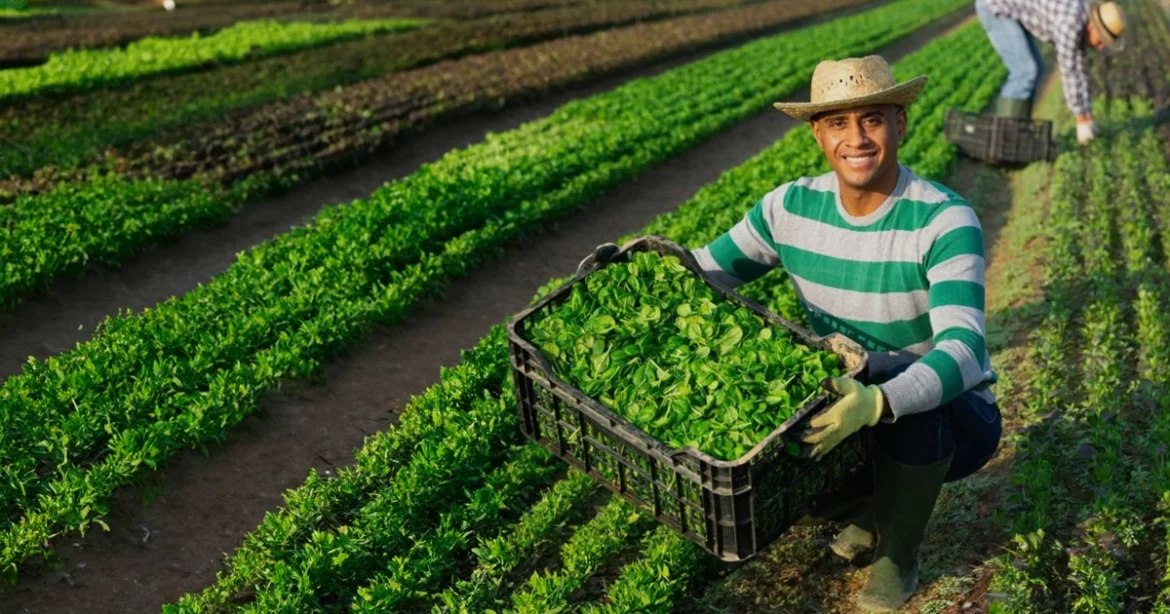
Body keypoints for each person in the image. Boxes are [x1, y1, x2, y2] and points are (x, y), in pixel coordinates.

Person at [689, 56, 1003, 612]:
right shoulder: (788, 209)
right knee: (776, 432)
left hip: (954, 416)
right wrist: (634, 264)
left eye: (872, 120)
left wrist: (878, 403)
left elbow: (963, 350)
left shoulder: (943, 219)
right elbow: (704, 271)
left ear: (900, 124)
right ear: (818, 133)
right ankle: (871, 507)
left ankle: (897, 555)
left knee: (894, 375)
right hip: (845, 392)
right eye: (838, 123)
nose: (856, 139)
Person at [975, 0, 1126, 144]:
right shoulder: (1070, 24)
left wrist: (1088, 116)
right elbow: (1069, 72)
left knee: (1037, 68)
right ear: (1093, 26)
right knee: (1025, 71)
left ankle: (1018, 135)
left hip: (1009, 8)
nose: (1101, 47)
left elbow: (1080, 70)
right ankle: (1005, 139)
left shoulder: (1082, 20)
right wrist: (1081, 120)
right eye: (1102, 40)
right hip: (995, 6)